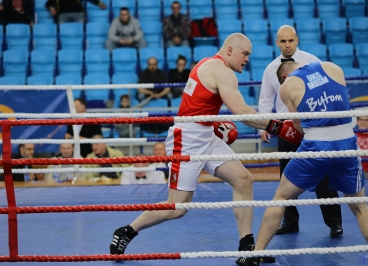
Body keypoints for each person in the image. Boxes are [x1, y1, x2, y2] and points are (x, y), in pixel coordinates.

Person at [109, 33, 298, 262]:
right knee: (177, 207)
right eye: (244, 53)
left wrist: (215, 122)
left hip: (205, 133)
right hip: (187, 139)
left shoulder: (208, 63)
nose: (247, 59)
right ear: (230, 50)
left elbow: (197, 104)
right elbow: (241, 113)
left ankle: (247, 248)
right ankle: (126, 231)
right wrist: (280, 127)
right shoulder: (221, 71)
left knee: (244, 180)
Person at [237, 61, 368, 266]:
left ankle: (254, 256)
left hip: (316, 146)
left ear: (284, 77)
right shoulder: (333, 68)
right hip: (347, 143)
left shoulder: (287, 86)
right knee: (360, 206)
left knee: (281, 197)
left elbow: (298, 126)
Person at [258, 25, 343, 237]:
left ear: (297, 40)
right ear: (277, 43)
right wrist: (264, 124)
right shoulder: (270, 69)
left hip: (313, 127)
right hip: (287, 128)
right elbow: (266, 98)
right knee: (286, 176)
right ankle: (290, 221)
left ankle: (335, 223)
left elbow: (325, 90)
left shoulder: (313, 61)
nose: (287, 45)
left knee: (324, 174)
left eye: (290, 41)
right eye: (283, 41)